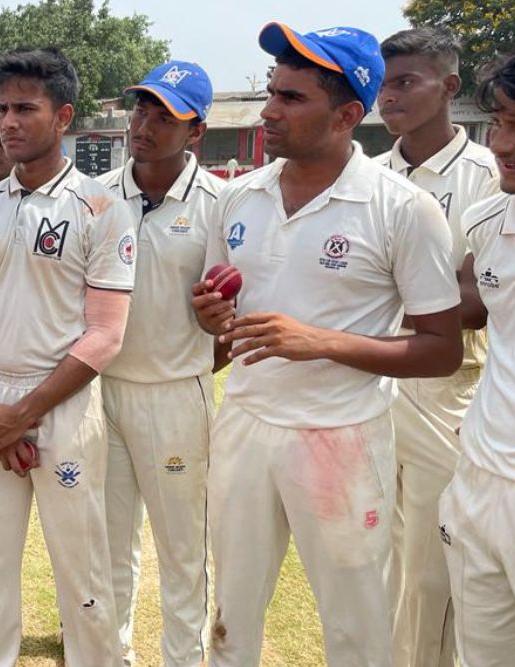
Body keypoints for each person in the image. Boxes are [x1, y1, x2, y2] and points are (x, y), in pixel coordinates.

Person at [193, 23, 463, 666]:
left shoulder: (402, 208)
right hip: (248, 424)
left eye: (291, 97)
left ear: (346, 114)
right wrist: (211, 317)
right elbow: (219, 321)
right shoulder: (238, 196)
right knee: (231, 613)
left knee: (355, 625)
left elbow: (441, 350)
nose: (268, 110)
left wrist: (320, 342)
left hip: (340, 435)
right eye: (271, 91)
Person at [0, 47, 138, 667]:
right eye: (2, 108)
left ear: (64, 117)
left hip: (62, 409)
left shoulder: (102, 210)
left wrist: (23, 413)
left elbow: (106, 334)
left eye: (25, 108)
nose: (9, 122)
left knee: (82, 577)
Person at [374, 27, 500, 667]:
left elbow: (480, 296)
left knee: (430, 570)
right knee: (371, 559)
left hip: (448, 389)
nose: (388, 96)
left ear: (448, 87)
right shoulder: (368, 175)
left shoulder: (486, 174)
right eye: (384, 81)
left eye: (406, 82)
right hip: (370, 380)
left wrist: (388, 303)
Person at [95, 60, 225, 667]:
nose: (143, 124)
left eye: (163, 115)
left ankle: (183, 658)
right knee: (109, 542)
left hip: (176, 394)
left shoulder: (222, 204)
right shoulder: (96, 197)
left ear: (195, 130)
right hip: (101, 393)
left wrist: (197, 359)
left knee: (183, 550)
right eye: (140, 108)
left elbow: (233, 314)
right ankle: (109, 654)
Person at [440, 49, 515, 666]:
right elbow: (467, 306)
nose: (500, 142)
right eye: (498, 122)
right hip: (479, 478)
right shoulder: (488, 219)